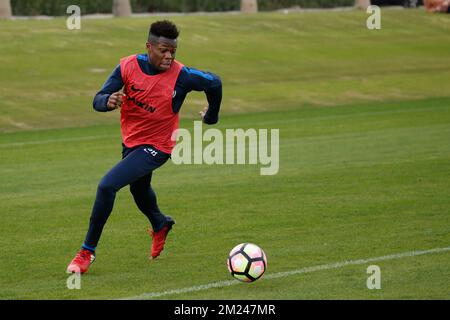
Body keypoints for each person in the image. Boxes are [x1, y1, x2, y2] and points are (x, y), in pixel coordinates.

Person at [67, 20, 222, 274]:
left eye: (173, 50)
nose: (169, 56)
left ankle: (86, 252)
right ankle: (160, 224)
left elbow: (214, 82)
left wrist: (212, 116)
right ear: (149, 47)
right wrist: (108, 101)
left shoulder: (182, 76)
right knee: (139, 190)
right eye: (163, 50)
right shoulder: (127, 66)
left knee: (107, 185)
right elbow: (97, 99)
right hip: (131, 141)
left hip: (158, 145)